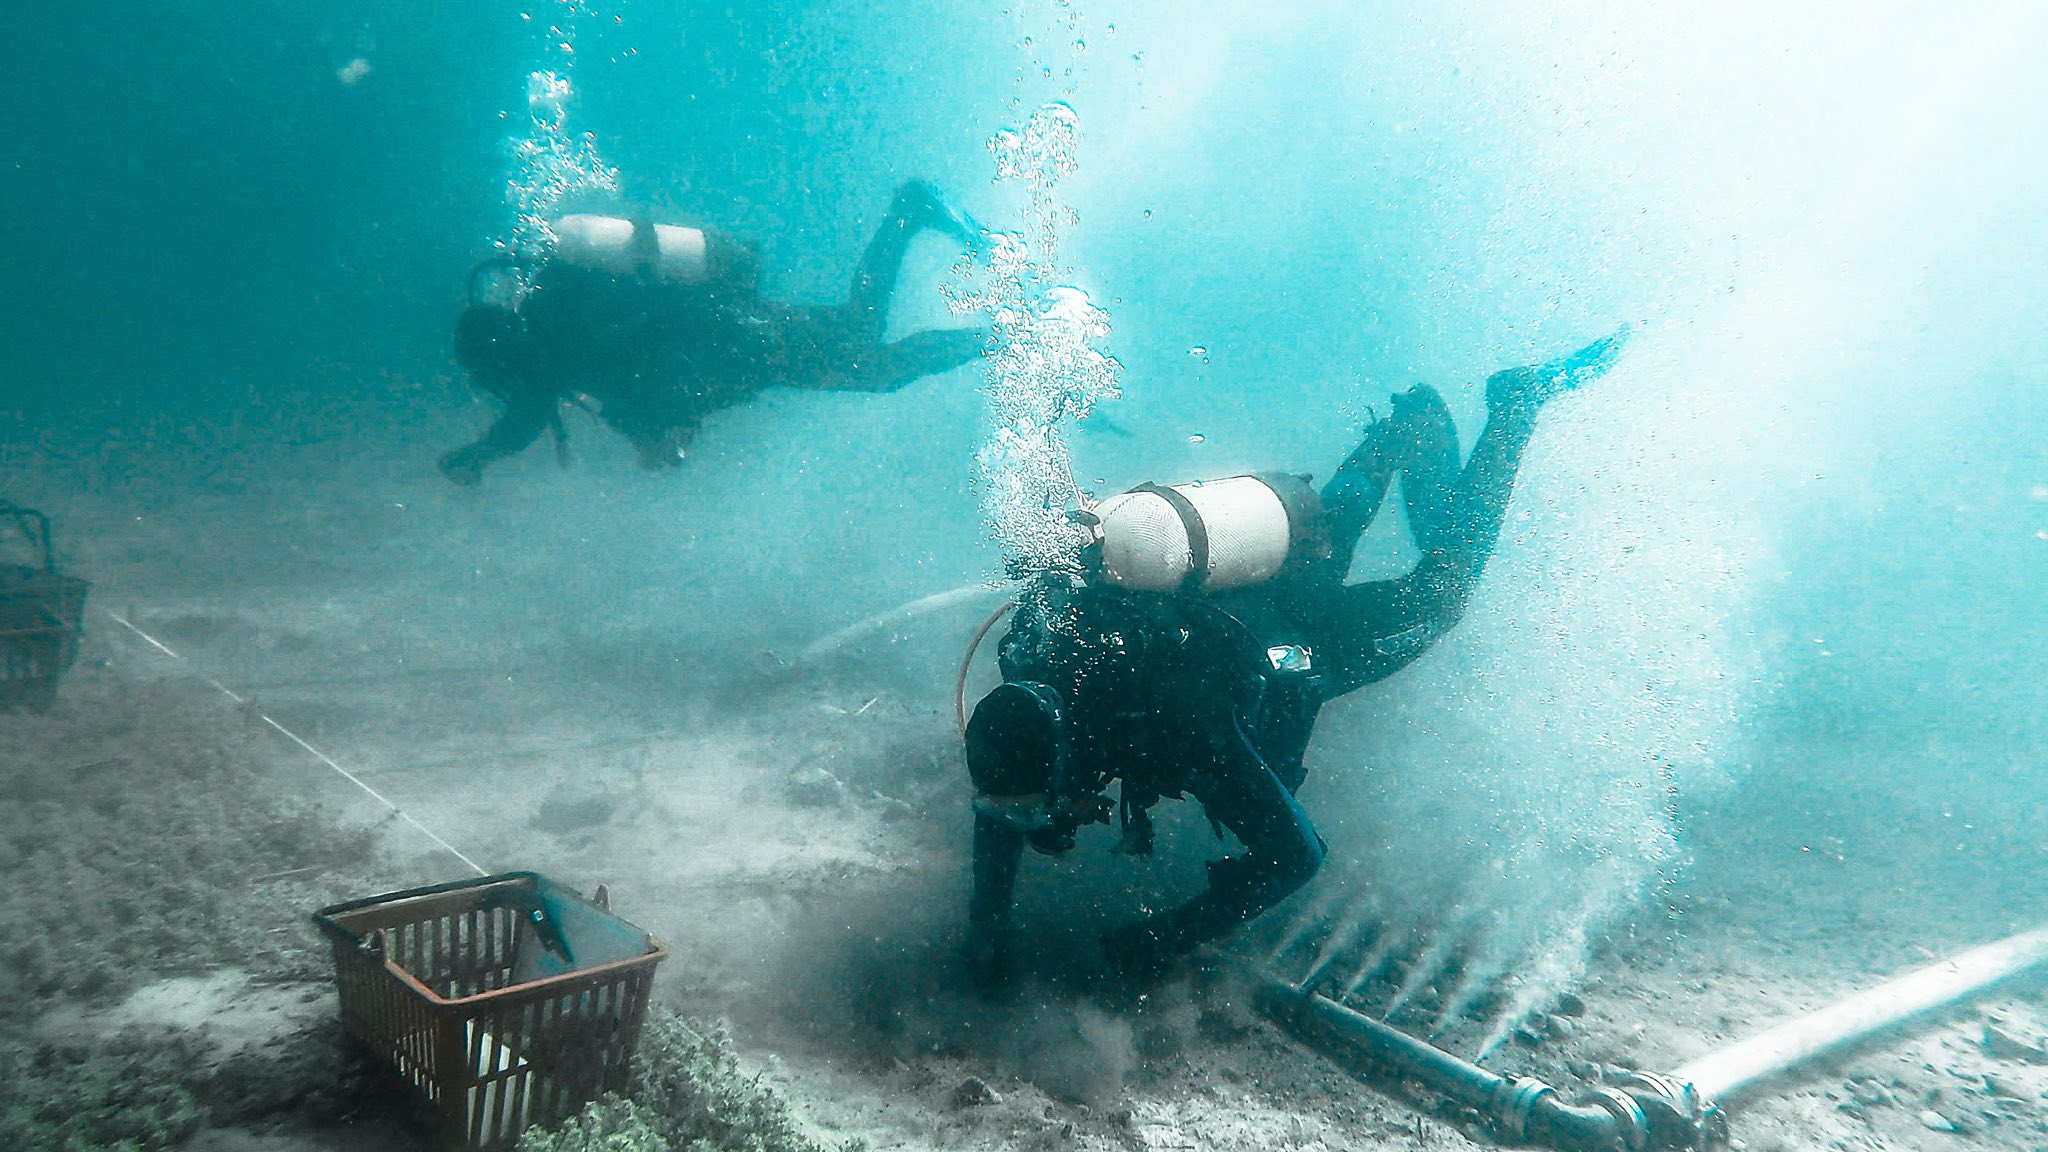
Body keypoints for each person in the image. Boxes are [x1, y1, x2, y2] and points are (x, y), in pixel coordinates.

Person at [962, 328, 1632, 987]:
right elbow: (1000, 800)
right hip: (1257, 567)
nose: (1034, 823)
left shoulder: (1178, 727)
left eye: (1035, 810)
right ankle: (1405, 428)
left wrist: (1156, 943)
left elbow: (1296, 858)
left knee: (1442, 595)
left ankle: (1515, 407)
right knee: (1324, 528)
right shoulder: (1033, 654)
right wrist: (986, 934)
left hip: (1293, 641)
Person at [440, 179, 990, 485]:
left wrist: (671, 425)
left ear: (499, 353)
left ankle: (989, 322)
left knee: (868, 353)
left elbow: (657, 349)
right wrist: (480, 455)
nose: (498, 384)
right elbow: (537, 412)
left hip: (741, 340)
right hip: (737, 340)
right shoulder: (551, 333)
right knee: (865, 346)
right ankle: (988, 323)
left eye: (489, 373)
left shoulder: (556, 341)